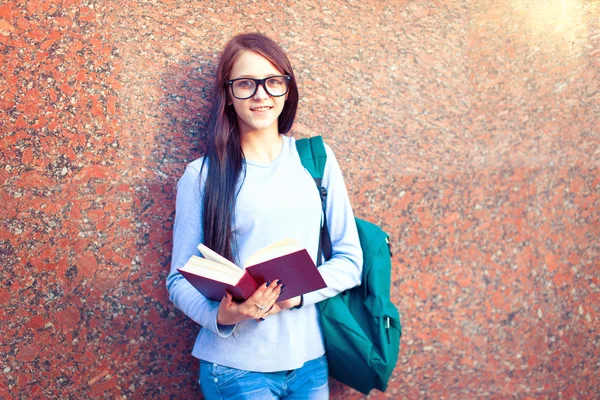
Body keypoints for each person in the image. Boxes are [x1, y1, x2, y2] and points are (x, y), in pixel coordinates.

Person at [166, 32, 363, 399]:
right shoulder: (202, 175)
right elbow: (178, 281)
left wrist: (297, 296)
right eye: (246, 84)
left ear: (287, 89)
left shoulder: (316, 161)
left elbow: (351, 261)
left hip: (310, 363)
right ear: (228, 94)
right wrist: (225, 316)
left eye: (273, 82)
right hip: (235, 370)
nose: (261, 95)